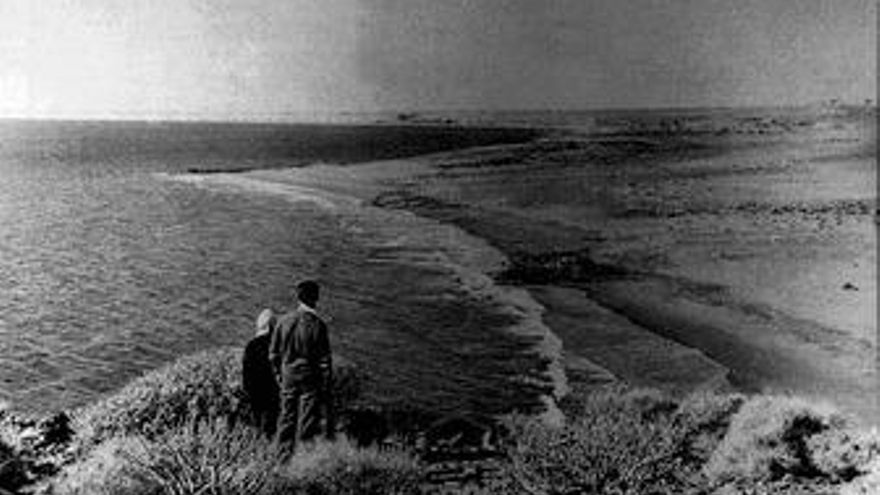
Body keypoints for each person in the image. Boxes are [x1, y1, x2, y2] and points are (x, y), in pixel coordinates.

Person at [270, 280, 334, 449]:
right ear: (316, 298)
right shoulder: (318, 325)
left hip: (288, 374)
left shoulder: (283, 321)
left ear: (298, 297)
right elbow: (325, 361)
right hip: (309, 376)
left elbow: (273, 354)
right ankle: (302, 456)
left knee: (286, 417)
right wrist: (326, 386)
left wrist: (279, 375)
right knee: (307, 420)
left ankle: (281, 455)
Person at [242, 308, 280, 438]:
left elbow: (246, 378)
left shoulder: (251, 346)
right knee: (273, 431)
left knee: (258, 430)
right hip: (274, 397)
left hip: (255, 397)